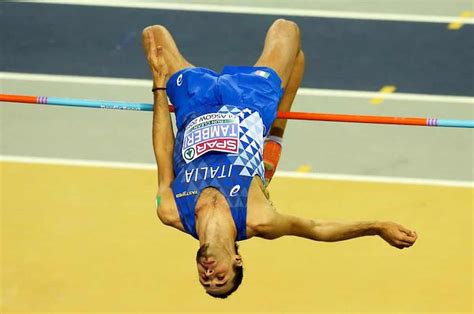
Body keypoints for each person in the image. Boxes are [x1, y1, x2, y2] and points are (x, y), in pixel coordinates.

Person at [142, 19, 417, 299]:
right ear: (237, 261)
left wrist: (159, 85)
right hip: (250, 100)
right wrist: (376, 227)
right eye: (220, 278)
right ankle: (279, 118)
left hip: (193, 103)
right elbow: (317, 228)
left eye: (206, 280)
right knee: (286, 30)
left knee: (153, 35)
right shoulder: (259, 219)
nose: (210, 275)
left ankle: (278, 119)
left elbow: (164, 150)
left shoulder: (172, 211)